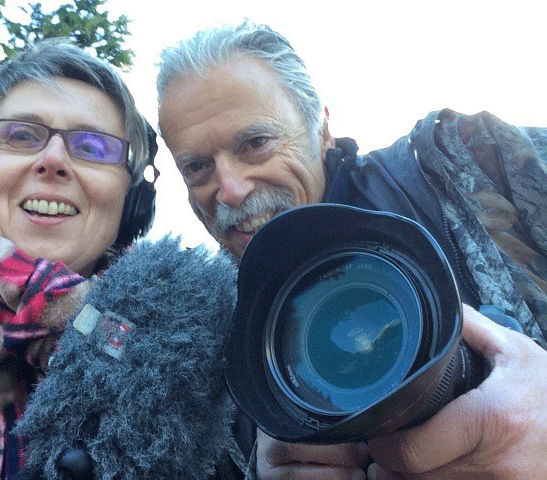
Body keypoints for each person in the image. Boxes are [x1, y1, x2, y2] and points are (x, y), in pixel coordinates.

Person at [156, 22, 547, 480]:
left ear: (320, 127)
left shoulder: (478, 165)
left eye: (256, 144)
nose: (231, 190)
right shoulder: (203, 337)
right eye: (197, 167)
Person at [0, 38, 157, 479]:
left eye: (93, 147)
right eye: (21, 135)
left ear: (132, 201)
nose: (53, 160)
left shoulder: (172, 344)